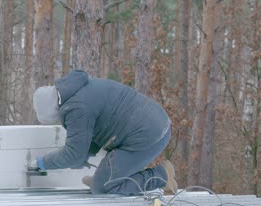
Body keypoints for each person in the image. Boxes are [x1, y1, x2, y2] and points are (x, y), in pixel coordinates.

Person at [31, 69, 177, 195]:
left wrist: (42, 163)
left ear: (53, 110)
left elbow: (74, 154)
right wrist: (85, 155)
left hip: (147, 137)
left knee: (102, 189)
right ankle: (106, 179)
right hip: (154, 125)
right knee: (104, 180)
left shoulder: (76, 108)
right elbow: (95, 128)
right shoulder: (78, 89)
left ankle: (161, 176)